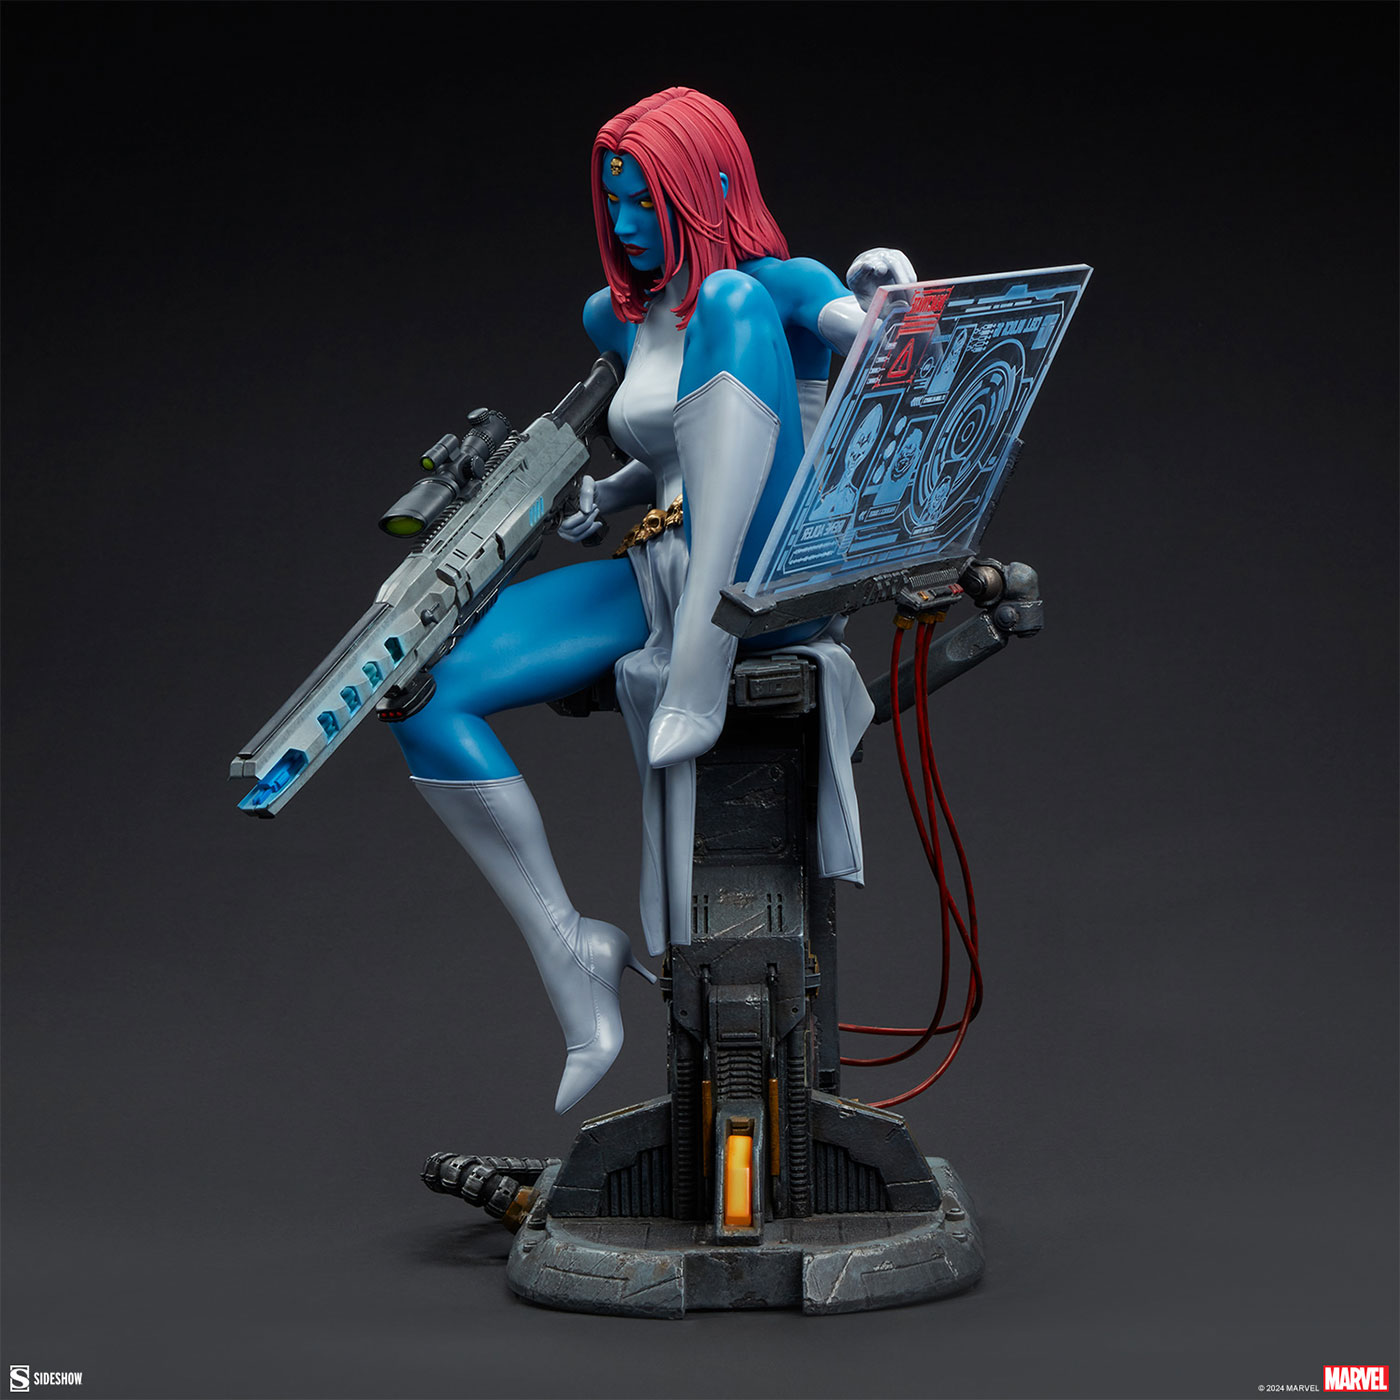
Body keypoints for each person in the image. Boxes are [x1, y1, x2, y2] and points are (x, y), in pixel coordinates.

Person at [393, 88, 915, 1113]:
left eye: (648, 200)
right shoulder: (618, 319)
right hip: (663, 566)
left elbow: (871, 346)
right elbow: (674, 444)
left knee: (732, 304)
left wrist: (887, 304)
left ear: (709, 184)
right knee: (425, 686)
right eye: (615, 200)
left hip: (773, 578)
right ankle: (571, 955)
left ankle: (700, 663)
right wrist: (608, 493)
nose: (627, 224)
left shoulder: (777, 287)